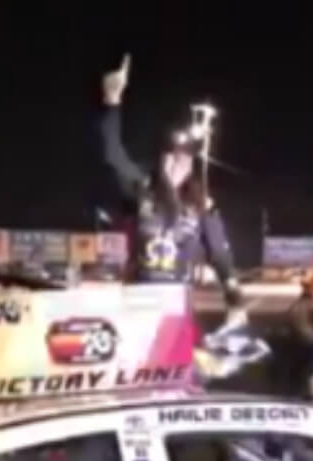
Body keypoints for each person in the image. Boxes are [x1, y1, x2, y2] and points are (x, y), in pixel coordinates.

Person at [96, 54, 245, 331]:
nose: (177, 163)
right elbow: (111, 155)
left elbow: (220, 256)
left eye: (184, 159)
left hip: (176, 304)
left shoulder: (201, 205)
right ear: (160, 158)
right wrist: (111, 101)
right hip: (137, 299)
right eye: (171, 156)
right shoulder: (142, 188)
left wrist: (235, 298)